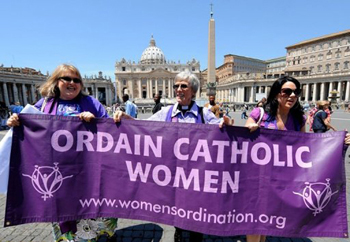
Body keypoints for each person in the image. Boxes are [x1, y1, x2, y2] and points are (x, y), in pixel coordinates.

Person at [114, 70, 231, 242]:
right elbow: (143, 126)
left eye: (184, 86)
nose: (178, 89)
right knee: (178, 211)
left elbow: (223, 129)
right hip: (174, 175)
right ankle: (178, 233)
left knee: (196, 215)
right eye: (177, 86)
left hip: (197, 175)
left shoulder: (203, 113)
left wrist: (227, 123)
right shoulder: (166, 112)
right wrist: (126, 118)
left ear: (193, 91)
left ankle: (196, 235)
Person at [7, 64, 117, 242]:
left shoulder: (91, 103)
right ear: (56, 81)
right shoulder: (45, 105)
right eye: (67, 78)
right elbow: (31, 126)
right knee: (65, 221)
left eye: (76, 80)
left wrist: (95, 122)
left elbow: (112, 132)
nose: (72, 83)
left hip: (88, 174)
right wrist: (16, 122)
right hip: (58, 174)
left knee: (92, 222)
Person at [244, 76, 350, 242]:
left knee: (264, 220)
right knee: (255, 219)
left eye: (296, 92)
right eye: (287, 91)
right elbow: (243, 138)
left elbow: (308, 148)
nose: (292, 95)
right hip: (259, 177)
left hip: (282, 179)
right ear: (276, 93)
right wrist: (247, 128)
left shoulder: (298, 118)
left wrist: (337, 143)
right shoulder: (260, 113)